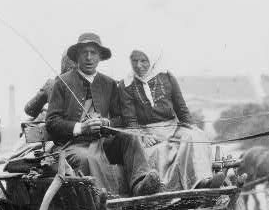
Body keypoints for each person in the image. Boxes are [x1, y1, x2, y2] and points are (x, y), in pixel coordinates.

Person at [46, 33, 162, 197]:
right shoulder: (62, 82)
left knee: (130, 136)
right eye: (84, 52)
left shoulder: (108, 84)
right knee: (87, 158)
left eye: (93, 53)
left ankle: (140, 184)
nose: (88, 57)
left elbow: (120, 119)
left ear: (100, 57)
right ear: (77, 56)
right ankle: (105, 201)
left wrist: (107, 123)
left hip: (102, 142)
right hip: (71, 146)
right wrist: (81, 127)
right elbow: (51, 122)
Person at [119, 49, 224, 191]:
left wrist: (194, 129)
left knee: (196, 137)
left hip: (173, 128)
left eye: (143, 60)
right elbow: (130, 120)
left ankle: (201, 182)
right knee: (159, 151)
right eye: (134, 61)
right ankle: (160, 192)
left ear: (153, 60)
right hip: (148, 133)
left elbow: (182, 110)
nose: (138, 65)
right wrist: (141, 135)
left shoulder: (167, 77)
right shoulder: (126, 85)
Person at [24, 52, 77, 121]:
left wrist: (45, 111)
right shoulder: (91, 86)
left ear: (63, 65)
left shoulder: (51, 84)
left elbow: (30, 109)